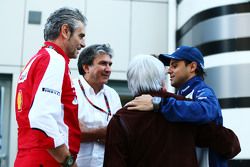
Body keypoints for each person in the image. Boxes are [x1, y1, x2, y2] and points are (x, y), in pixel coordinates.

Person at [103, 55, 240, 167]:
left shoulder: (120, 120)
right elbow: (229, 144)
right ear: (162, 81)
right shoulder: (184, 108)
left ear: (130, 82)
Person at [125, 46, 227, 167]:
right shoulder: (179, 94)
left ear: (192, 67)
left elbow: (207, 110)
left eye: (175, 65)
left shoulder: (202, 91)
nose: (169, 70)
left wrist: (158, 103)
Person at [14, 7, 87, 167]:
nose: (83, 43)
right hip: (46, 160)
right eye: (80, 36)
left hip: (30, 156)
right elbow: (42, 117)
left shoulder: (38, 59)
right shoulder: (54, 60)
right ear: (65, 31)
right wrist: (68, 162)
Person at [73, 44, 122, 167]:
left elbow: (119, 135)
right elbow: (70, 132)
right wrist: (103, 133)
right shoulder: (70, 88)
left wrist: (87, 132)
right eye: (103, 63)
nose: (108, 69)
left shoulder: (113, 95)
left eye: (110, 64)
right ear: (86, 67)